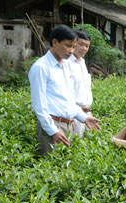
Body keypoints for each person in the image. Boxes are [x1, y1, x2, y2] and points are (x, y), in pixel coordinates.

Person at [29, 24, 101, 155]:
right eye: (68, 46)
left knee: (67, 167)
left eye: (73, 47)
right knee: (53, 168)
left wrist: (84, 118)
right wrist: (53, 131)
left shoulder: (65, 66)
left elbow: (68, 101)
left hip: (70, 124)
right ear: (55, 42)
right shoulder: (41, 67)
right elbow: (39, 105)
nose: (71, 51)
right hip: (53, 125)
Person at [69, 28, 93, 137]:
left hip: (86, 113)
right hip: (74, 114)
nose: (84, 48)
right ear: (74, 43)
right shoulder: (66, 63)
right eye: (81, 44)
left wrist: (89, 111)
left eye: (87, 46)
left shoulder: (82, 63)